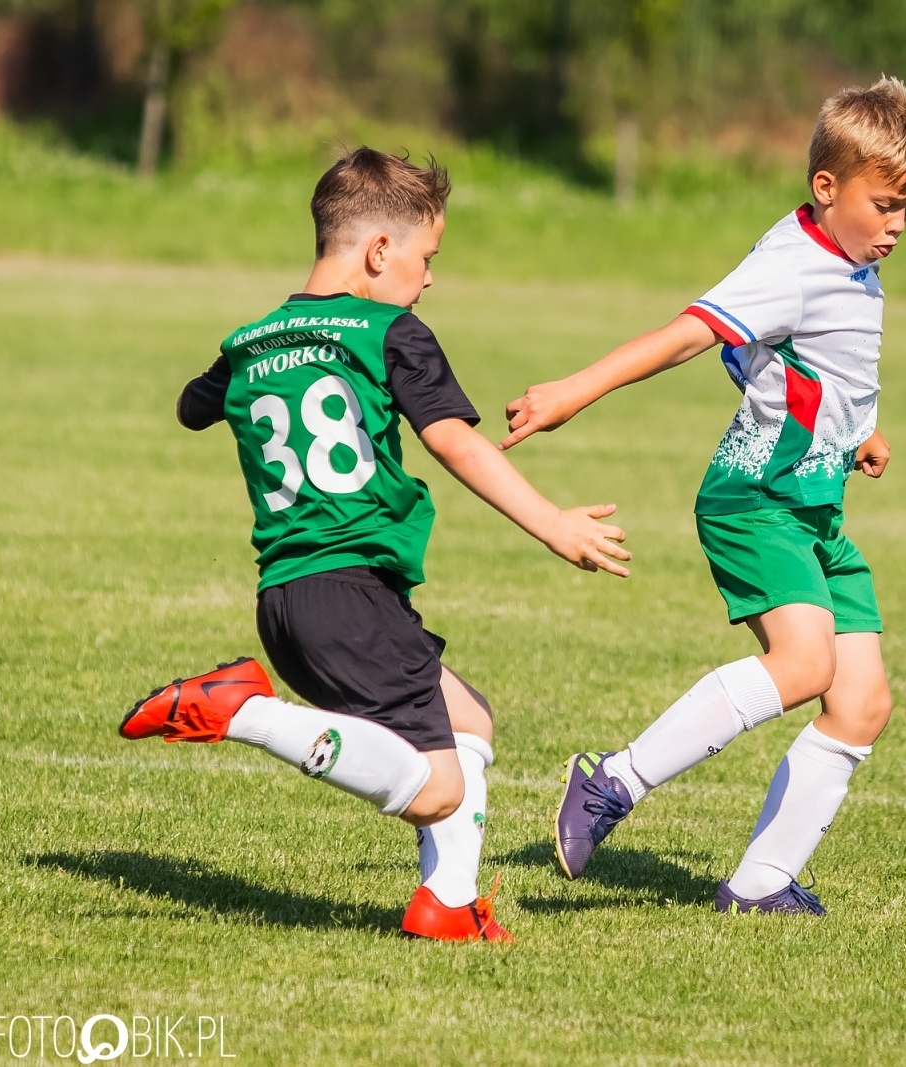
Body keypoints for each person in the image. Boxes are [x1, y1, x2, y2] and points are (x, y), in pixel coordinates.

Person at [120, 147, 631, 941]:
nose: (428, 280)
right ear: (379, 250)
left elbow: (194, 406)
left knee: (470, 718)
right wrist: (553, 522)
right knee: (437, 790)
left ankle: (447, 903)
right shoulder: (390, 331)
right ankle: (244, 711)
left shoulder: (253, 339)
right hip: (348, 593)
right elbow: (455, 442)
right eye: (427, 259)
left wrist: (264, 352)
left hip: (288, 597)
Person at [502, 78, 906, 915]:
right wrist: (573, 391)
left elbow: (817, 361)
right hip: (756, 500)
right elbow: (688, 336)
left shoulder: (848, 256)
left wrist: (862, 428)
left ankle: (760, 883)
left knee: (862, 701)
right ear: (825, 187)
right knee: (806, 664)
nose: (896, 226)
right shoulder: (792, 265)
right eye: (884, 205)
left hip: (814, 508)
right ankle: (612, 780)